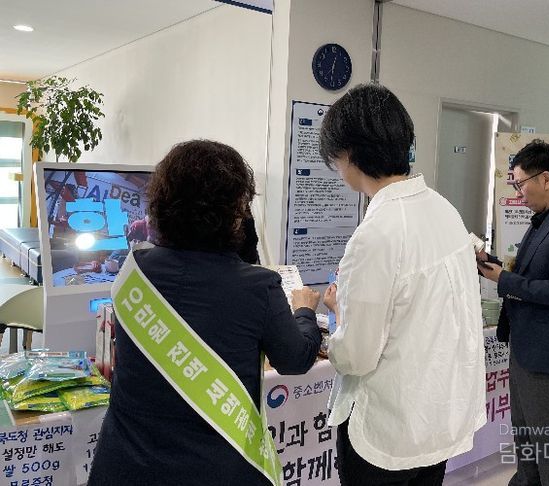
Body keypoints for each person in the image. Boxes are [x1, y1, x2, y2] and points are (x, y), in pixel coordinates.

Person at [88, 140, 322, 486]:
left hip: (125, 466)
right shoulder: (257, 286)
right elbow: (295, 359)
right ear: (236, 212)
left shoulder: (135, 269)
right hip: (216, 470)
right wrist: (304, 311)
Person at [319, 83, 486, 486]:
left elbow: (356, 357)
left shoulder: (377, 233)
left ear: (349, 154)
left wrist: (331, 329)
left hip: (386, 431)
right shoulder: (443, 209)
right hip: (435, 420)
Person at [477, 140, 549, 486]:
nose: (518, 193)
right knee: (525, 433)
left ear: (545, 179)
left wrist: (504, 280)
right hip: (525, 344)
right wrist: (492, 266)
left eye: (520, 184)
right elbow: (530, 275)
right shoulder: (543, 220)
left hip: (548, 351)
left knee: (548, 443)